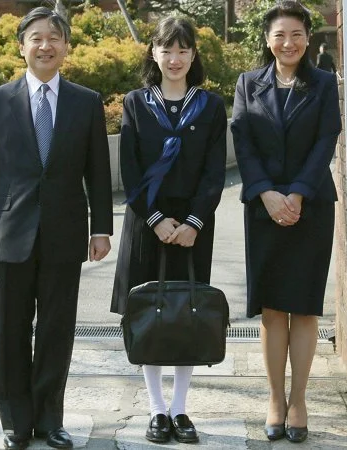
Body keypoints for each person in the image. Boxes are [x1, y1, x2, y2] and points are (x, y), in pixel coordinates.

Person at [0, 7, 113, 449]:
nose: (45, 45)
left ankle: (50, 419)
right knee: (9, 332)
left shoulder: (86, 102)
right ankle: (15, 420)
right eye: (36, 38)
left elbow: (99, 174)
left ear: (66, 47)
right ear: (22, 46)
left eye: (54, 38)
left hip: (66, 235)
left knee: (56, 330)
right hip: (8, 236)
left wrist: (101, 228)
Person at [110, 16, 226, 445]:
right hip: (148, 222)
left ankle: (181, 409)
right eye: (166, 49)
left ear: (193, 55)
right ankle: (157, 409)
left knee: (187, 313)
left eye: (182, 50)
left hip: (195, 224)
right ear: (153, 54)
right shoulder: (136, 103)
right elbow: (130, 168)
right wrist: (156, 219)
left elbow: (215, 173)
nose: (174, 58)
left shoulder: (211, 106)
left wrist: (194, 222)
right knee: (150, 316)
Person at [231, 1, 341, 444]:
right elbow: (242, 139)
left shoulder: (324, 84)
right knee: (273, 308)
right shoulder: (247, 83)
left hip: (310, 205)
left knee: (305, 307)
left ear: (308, 37)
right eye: (279, 35)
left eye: (296, 34)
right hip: (262, 207)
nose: (288, 43)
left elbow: (325, 138)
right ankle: (275, 399)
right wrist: (268, 192)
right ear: (267, 39)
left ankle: (299, 400)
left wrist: (295, 193)